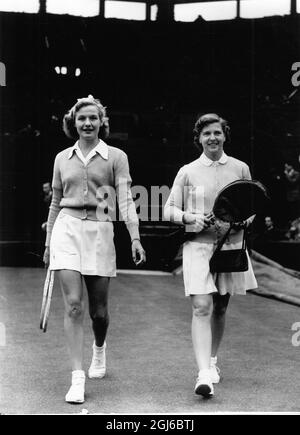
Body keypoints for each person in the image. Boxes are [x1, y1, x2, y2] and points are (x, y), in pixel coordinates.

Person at [43, 95, 146, 404]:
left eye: (93, 118)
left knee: (98, 312)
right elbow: (55, 201)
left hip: (101, 231)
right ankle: (77, 378)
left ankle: (99, 349)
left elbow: (126, 199)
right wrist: (48, 242)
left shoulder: (116, 156)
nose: (87, 123)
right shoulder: (62, 157)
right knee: (73, 305)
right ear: (73, 123)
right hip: (67, 230)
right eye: (81, 118)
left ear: (102, 122)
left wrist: (134, 237)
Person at [164, 113, 257, 398]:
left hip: (230, 247)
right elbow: (168, 210)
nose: (212, 138)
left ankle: (213, 360)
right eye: (206, 134)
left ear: (225, 135)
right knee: (201, 307)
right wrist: (190, 217)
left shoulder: (241, 168)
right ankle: (203, 373)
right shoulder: (187, 171)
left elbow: (251, 207)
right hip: (199, 247)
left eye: (217, 132)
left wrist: (245, 221)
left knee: (219, 307)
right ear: (199, 138)